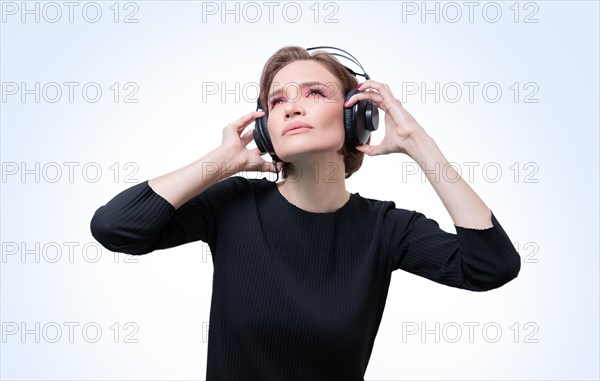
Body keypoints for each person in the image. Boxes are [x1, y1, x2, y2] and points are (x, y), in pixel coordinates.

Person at [90, 46, 521, 380]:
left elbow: (492, 267)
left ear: (359, 118)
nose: (293, 106)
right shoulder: (232, 205)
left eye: (315, 93)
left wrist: (417, 142)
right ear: (265, 129)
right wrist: (219, 163)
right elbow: (116, 228)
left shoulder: (386, 229)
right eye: (277, 101)